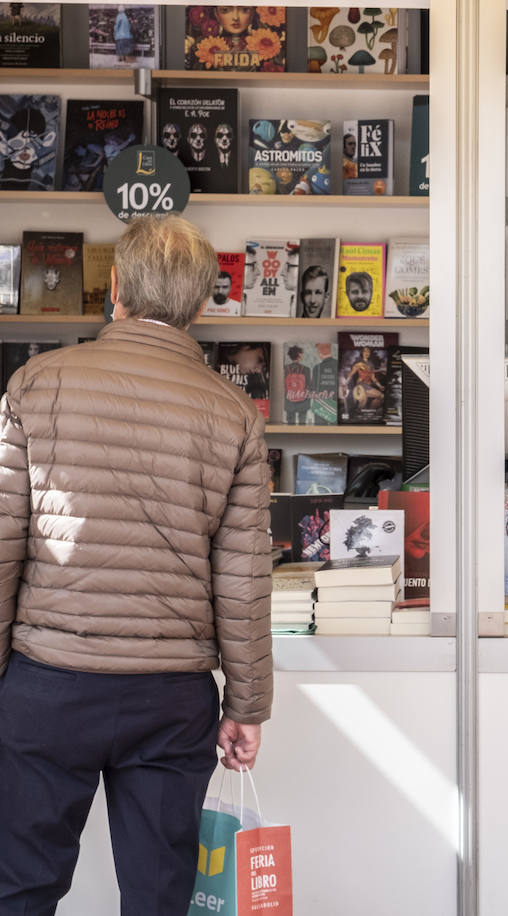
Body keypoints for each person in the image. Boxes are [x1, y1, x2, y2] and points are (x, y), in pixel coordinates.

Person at [0, 214, 271, 913]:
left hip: (47, 683)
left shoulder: (37, 383)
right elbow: (243, 580)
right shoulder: (234, 413)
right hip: (170, 696)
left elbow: (2, 545)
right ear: (203, 303)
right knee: (159, 892)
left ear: (113, 287)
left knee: (20, 885)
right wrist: (246, 705)